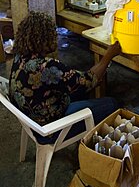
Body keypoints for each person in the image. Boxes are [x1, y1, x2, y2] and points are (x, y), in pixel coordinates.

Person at [9, 11, 121, 143]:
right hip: (50, 130)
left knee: (83, 92)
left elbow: (75, 79)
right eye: (52, 34)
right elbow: (87, 81)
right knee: (112, 104)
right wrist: (108, 56)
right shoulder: (47, 67)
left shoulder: (19, 57)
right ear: (43, 39)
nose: (55, 37)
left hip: (33, 120)